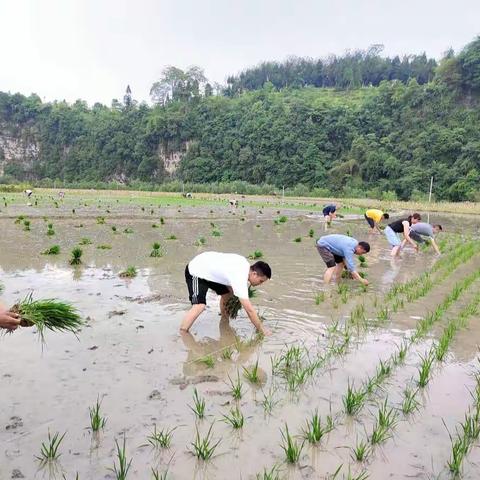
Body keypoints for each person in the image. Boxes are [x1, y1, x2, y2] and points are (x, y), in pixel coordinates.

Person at [180, 251, 272, 336]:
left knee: (228, 294)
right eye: (261, 281)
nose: (260, 284)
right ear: (254, 274)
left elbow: (229, 283)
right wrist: (261, 329)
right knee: (199, 305)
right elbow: (249, 310)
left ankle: (224, 320)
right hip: (197, 270)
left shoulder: (244, 264)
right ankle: (182, 333)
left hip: (210, 270)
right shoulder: (240, 276)